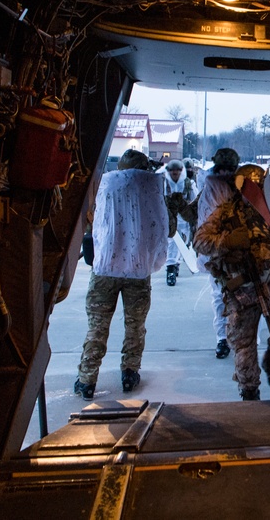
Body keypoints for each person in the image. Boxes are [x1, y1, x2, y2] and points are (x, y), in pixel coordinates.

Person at [194, 164, 270, 400]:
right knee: (243, 347)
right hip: (242, 289)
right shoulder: (226, 213)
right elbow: (200, 241)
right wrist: (227, 242)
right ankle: (249, 392)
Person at [73, 149, 168, 400]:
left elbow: (92, 221)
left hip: (105, 268)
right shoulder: (152, 187)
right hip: (138, 270)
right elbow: (163, 229)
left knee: (97, 326)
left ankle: (87, 380)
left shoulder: (106, 184)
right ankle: (129, 373)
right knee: (135, 326)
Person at [196, 147, 241, 360]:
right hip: (220, 253)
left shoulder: (242, 187)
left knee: (238, 297)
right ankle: (224, 338)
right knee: (221, 297)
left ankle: (235, 337)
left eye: (229, 169)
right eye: (222, 169)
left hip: (236, 253)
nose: (225, 173)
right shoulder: (210, 188)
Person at [163, 158, 198, 286]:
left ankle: (175, 264)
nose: (175, 173)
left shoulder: (188, 183)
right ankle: (171, 268)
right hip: (170, 218)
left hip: (184, 219)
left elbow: (195, 199)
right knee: (173, 242)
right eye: (172, 170)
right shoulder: (164, 183)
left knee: (182, 243)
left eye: (178, 170)